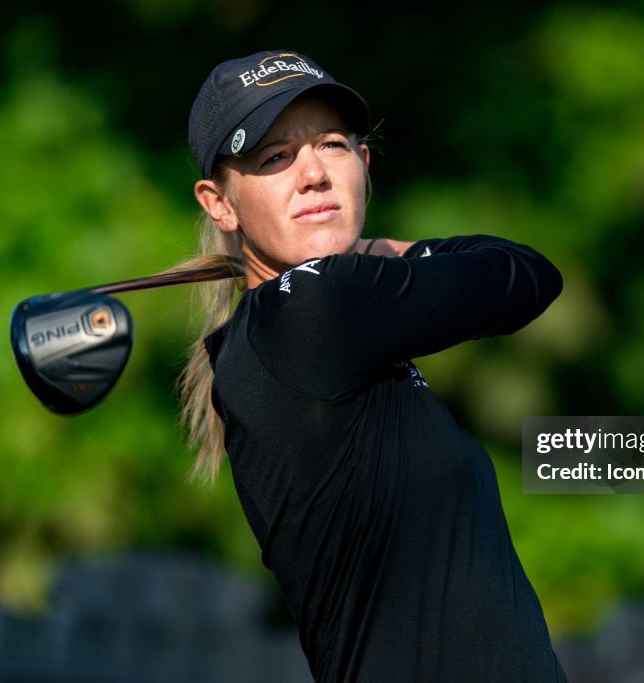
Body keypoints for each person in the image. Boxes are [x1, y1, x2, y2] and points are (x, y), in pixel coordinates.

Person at [179, 49, 568, 682]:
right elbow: (524, 276)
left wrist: (367, 255)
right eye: (274, 158)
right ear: (219, 203)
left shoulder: (286, 332)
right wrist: (385, 250)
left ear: (363, 165)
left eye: (331, 146)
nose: (312, 174)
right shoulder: (310, 311)